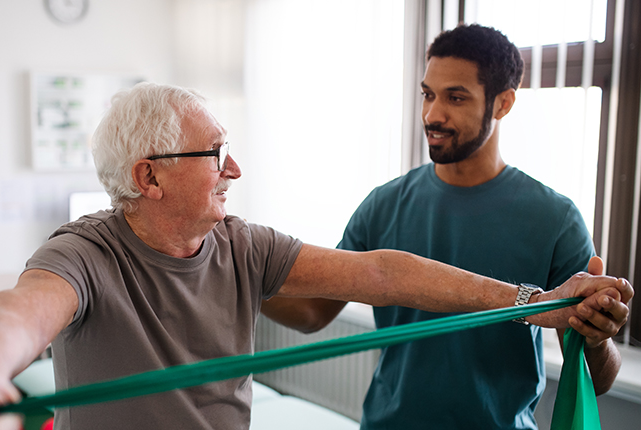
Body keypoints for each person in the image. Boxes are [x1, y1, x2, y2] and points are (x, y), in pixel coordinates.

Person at [0, 82, 630, 430]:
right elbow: (20, 311)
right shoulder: (85, 252)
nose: (234, 170)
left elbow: (379, 271)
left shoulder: (239, 243)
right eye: (215, 155)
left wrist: (533, 304)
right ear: (148, 176)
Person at [261, 24, 634, 429]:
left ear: (503, 103)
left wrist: (597, 339)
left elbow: (596, 379)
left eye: (455, 98)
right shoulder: (384, 205)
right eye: (428, 94)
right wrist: (236, 276)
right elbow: (314, 311)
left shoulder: (556, 219)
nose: (431, 115)